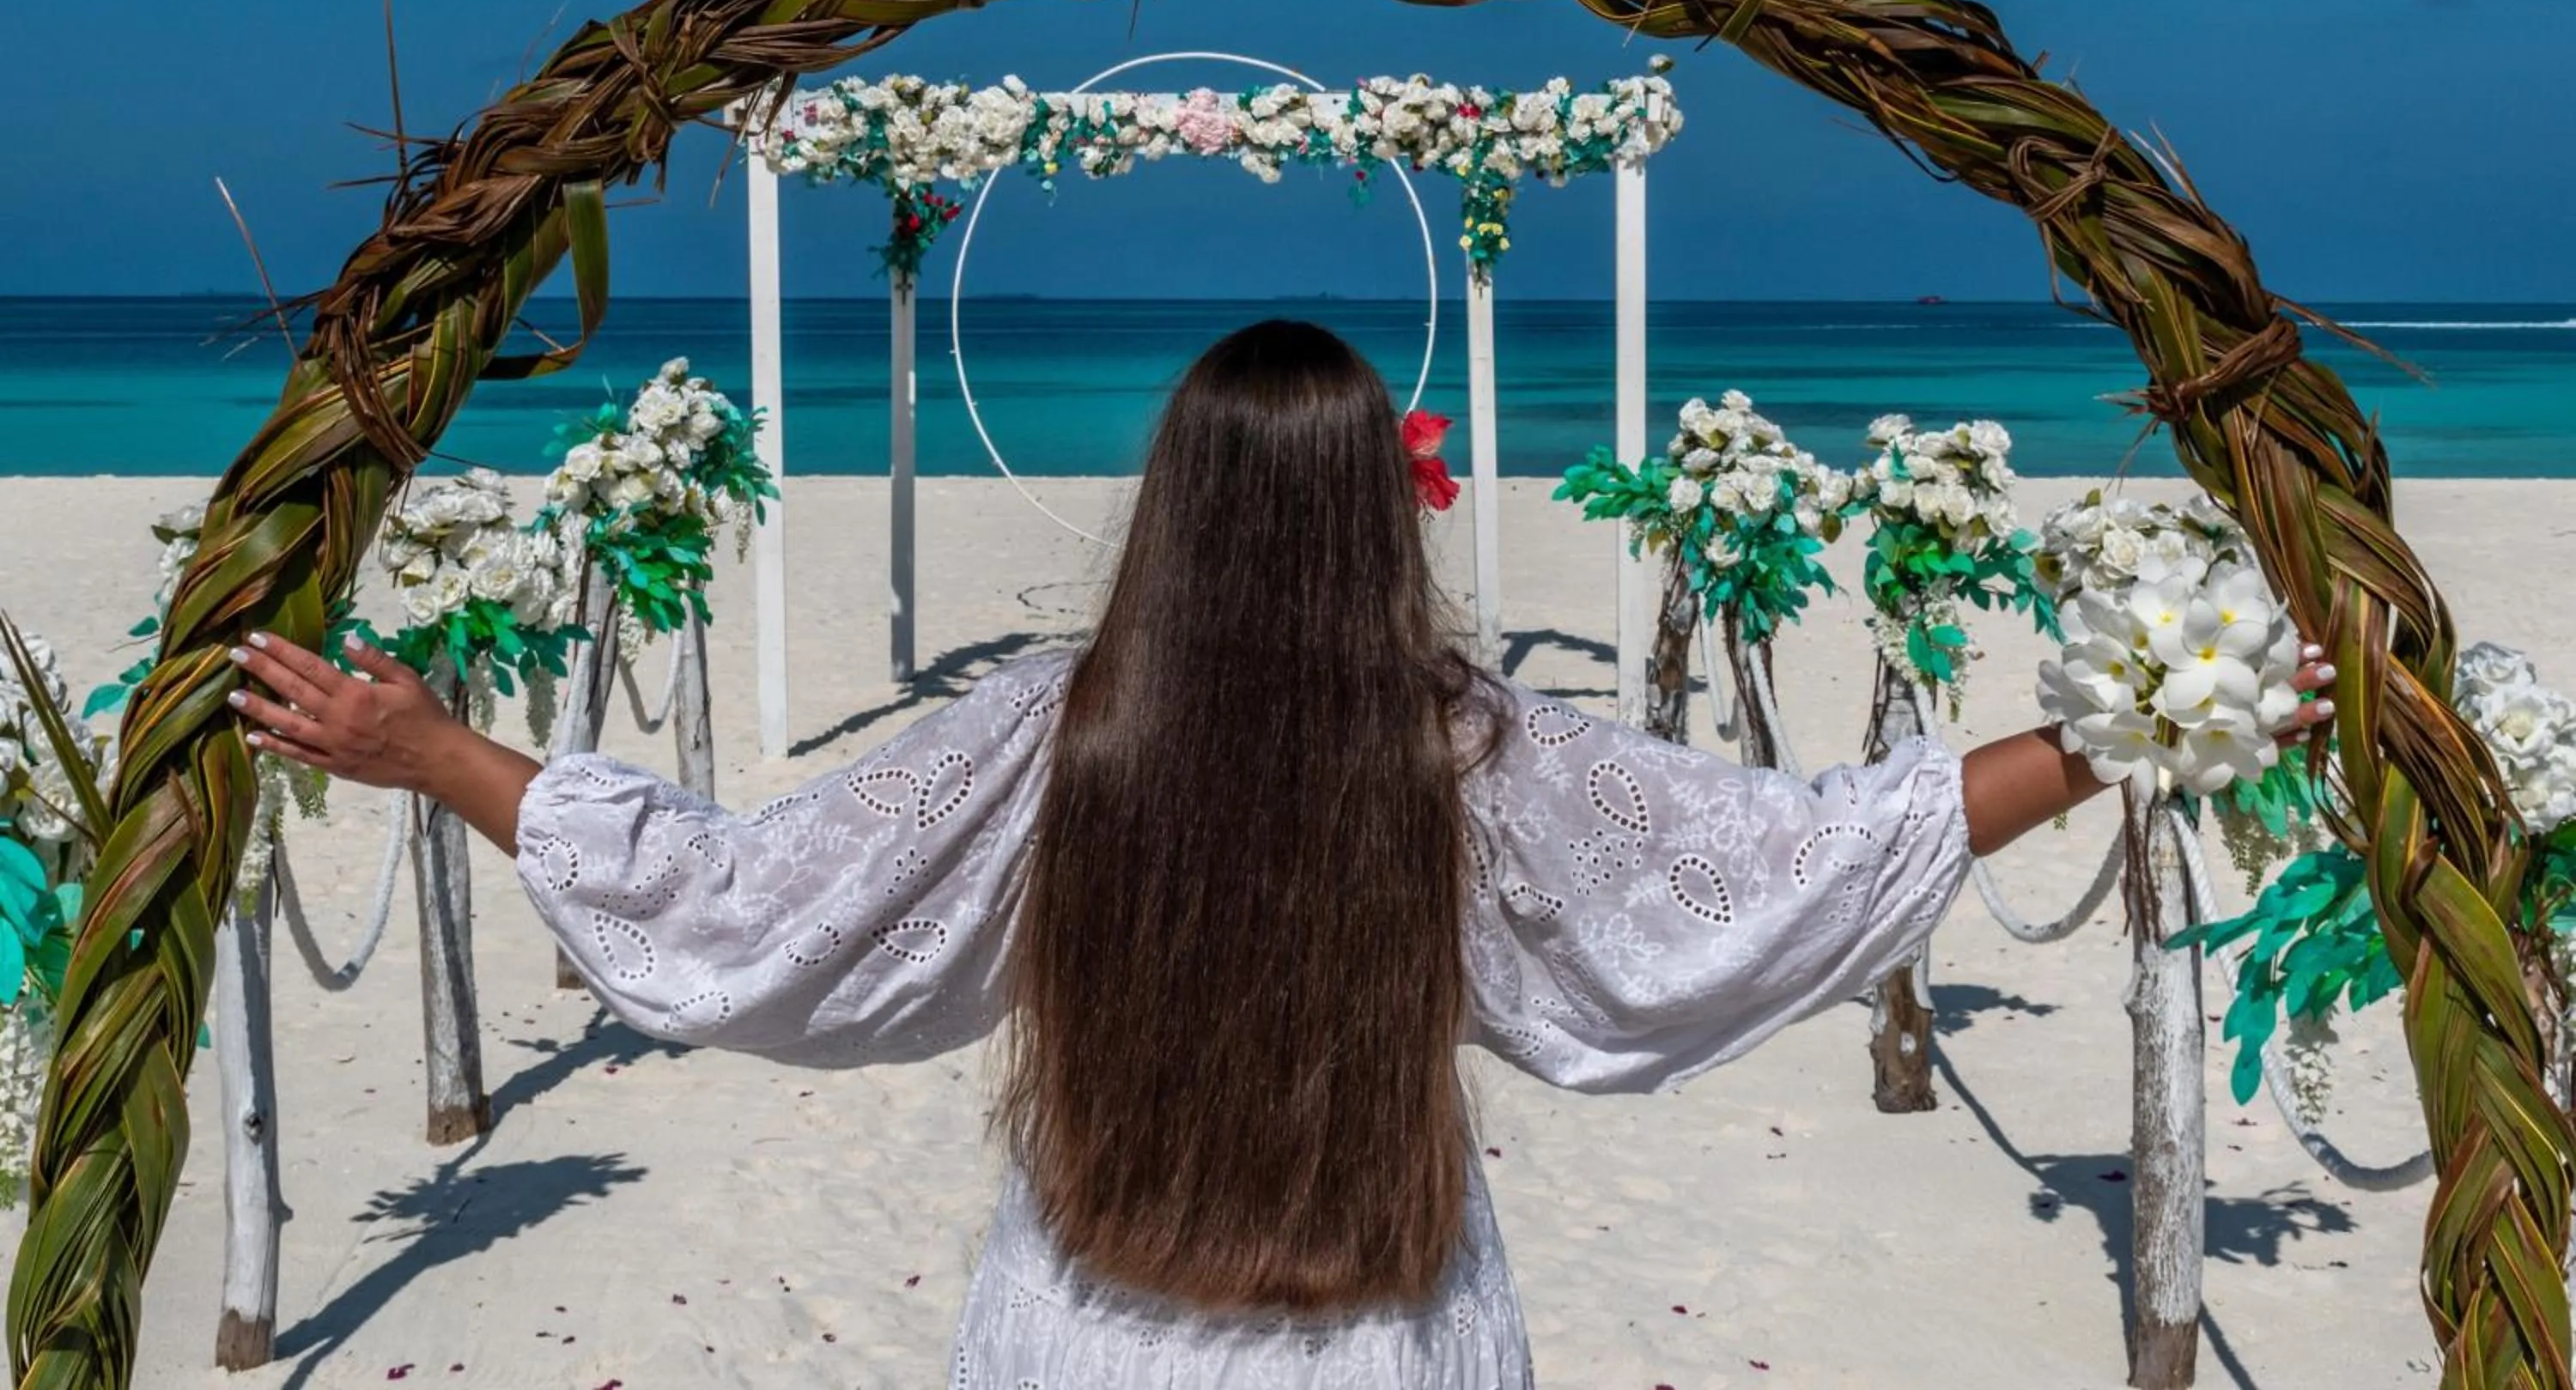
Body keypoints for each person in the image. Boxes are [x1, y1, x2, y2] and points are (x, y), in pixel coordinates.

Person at [228, 320, 2334, 1387]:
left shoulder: (1052, 744)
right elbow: (1800, 860)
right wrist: (2127, 721)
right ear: (1376, 517)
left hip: (1092, 1333)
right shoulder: (1470, 754)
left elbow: (744, 908)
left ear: (1174, 506)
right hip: (1386, 1337)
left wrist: (439, 751)